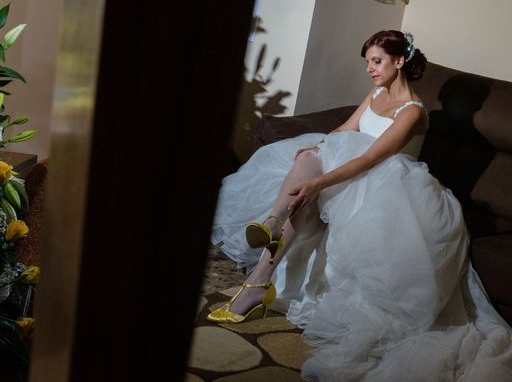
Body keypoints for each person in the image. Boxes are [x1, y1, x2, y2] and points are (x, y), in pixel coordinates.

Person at [209, 30, 512, 381]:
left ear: (400, 61)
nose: (370, 69)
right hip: (351, 174)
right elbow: (345, 130)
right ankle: (270, 234)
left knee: (312, 181)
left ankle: (262, 272)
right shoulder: (375, 93)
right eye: (368, 61)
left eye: (377, 61)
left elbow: (370, 157)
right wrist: (317, 149)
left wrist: (319, 179)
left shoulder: (413, 112)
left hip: (385, 185)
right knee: (309, 158)